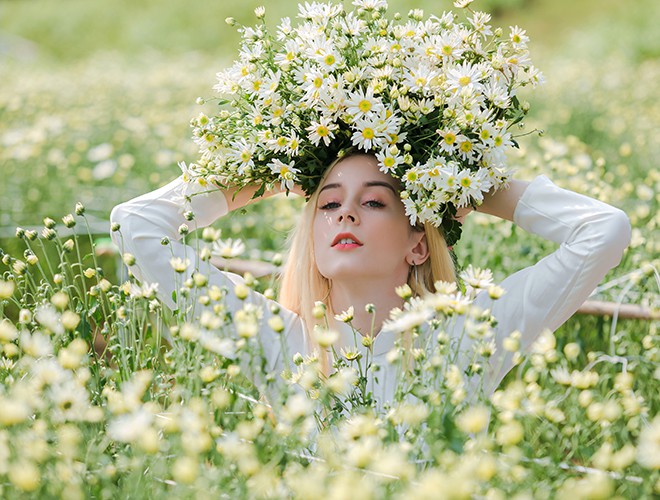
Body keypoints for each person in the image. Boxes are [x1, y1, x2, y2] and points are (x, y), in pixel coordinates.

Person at [110, 153, 631, 404]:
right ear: (311, 236)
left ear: (418, 242)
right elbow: (134, 225)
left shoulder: (471, 334)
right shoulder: (273, 339)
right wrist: (263, 174)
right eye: (328, 202)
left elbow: (602, 231)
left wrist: (471, 187)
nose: (345, 214)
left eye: (376, 201)